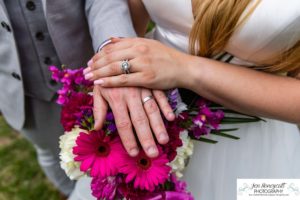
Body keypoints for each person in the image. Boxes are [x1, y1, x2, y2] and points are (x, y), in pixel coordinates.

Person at [84, 0, 300, 199]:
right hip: (148, 112)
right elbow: (127, 15)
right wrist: (122, 70)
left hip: (249, 142)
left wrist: (185, 68)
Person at [0, 0, 174, 197]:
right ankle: (69, 190)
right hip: (24, 92)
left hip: (90, 71)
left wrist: (116, 57)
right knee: (49, 150)